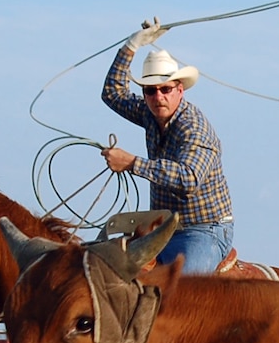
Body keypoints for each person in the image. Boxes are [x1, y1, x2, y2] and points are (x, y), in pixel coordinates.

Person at [99, 18, 235, 273]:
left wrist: (131, 163)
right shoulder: (149, 113)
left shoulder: (194, 128)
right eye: (150, 91)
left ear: (179, 90)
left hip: (204, 229)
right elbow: (113, 93)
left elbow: (189, 179)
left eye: (165, 89)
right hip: (163, 227)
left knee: (179, 293)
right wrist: (131, 45)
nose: (158, 97)